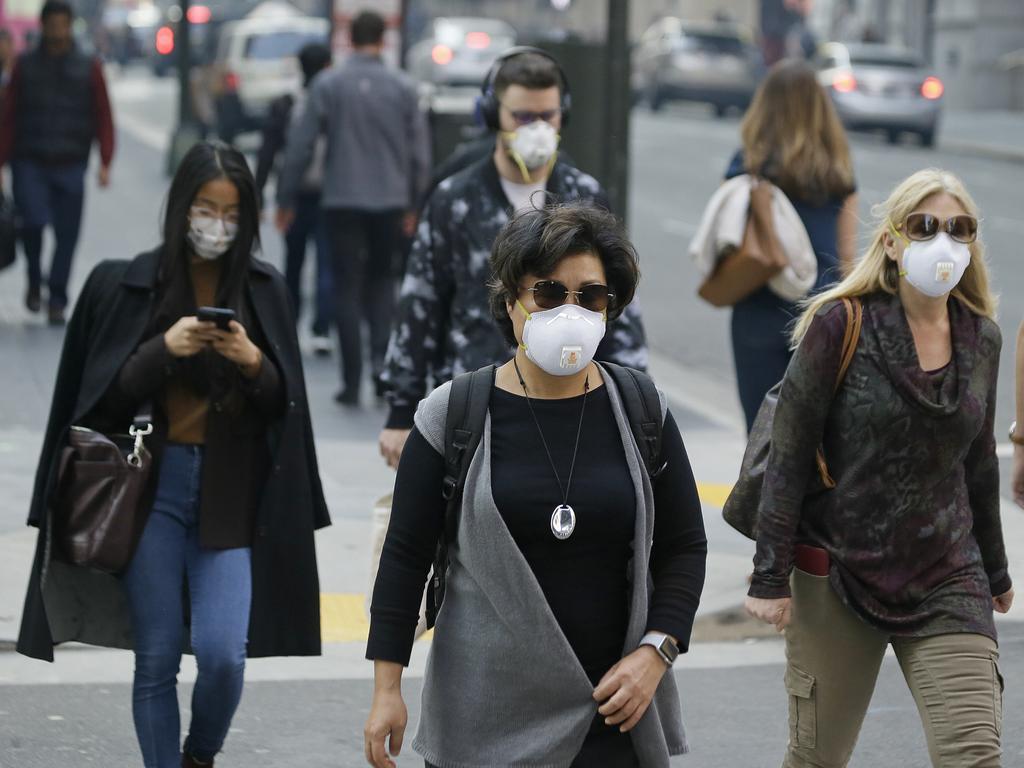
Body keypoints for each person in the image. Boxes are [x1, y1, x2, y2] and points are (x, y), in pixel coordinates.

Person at [17, 141, 331, 768]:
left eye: (231, 213)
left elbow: (284, 407)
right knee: (156, 657)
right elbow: (97, 404)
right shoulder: (127, 284)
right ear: (181, 207)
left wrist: (252, 362)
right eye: (204, 208)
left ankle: (199, 754)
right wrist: (165, 347)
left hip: (230, 496)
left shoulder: (266, 290)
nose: (216, 224)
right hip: (149, 492)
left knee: (222, 654)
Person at [364, 201, 707, 768]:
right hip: (482, 722)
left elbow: (684, 546)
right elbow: (404, 559)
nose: (570, 310)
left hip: (613, 712)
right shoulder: (452, 415)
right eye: (549, 293)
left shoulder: (642, 408)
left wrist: (656, 652)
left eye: (591, 296)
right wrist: (386, 691)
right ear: (511, 302)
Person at [745, 168, 1013, 767]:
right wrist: (769, 577)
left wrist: (995, 573)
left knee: (974, 754)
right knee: (817, 758)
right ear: (891, 241)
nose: (942, 243)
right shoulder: (841, 325)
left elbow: (976, 466)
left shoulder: (982, 340)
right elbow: (789, 452)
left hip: (948, 575)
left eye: (958, 229)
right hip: (840, 571)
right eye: (924, 227)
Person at [378, 47, 649, 469]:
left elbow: (615, 305)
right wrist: (401, 409)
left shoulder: (586, 197)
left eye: (548, 115)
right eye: (522, 117)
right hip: (473, 404)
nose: (537, 128)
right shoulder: (455, 199)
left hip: (570, 398)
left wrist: (634, 402)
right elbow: (421, 302)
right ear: (492, 115)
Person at [277, 10, 430, 405]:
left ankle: (351, 379)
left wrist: (286, 198)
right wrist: (415, 202)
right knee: (382, 282)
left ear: (349, 36)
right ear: (383, 38)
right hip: (390, 201)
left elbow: (300, 145)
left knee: (346, 285)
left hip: (341, 197)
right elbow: (419, 153)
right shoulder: (403, 87)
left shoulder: (329, 84)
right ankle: (382, 364)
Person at [725, 60, 857, 430]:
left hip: (758, 306)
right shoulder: (838, 169)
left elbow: (727, 233)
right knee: (815, 434)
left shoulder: (747, 164)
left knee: (761, 435)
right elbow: (847, 255)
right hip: (821, 313)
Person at [0, 0, 115, 325]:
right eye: (52, 23)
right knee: (32, 223)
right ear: (43, 25)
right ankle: (35, 280)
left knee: (67, 233)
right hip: (30, 160)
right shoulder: (25, 65)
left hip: (71, 160)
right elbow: (8, 115)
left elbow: (103, 113)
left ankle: (57, 296)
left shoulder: (88, 65)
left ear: (69, 25)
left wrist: (105, 160)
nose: (57, 30)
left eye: (62, 23)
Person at [255, 41, 333, 356]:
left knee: (294, 261)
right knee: (327, 263)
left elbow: (269, 151)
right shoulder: (333, 103)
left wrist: (263, 194)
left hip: (296, 196)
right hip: (331, 196)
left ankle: (288, 323)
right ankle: (322, 329)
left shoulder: (287, 103)